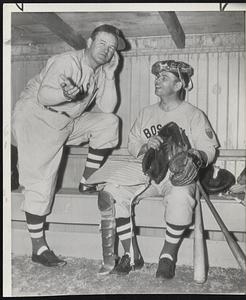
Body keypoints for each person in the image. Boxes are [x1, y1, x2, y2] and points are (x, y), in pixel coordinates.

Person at [92, 59, 219, 279]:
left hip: (176, 176)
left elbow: (209, 149)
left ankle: (167, 256)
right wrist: (143, 146)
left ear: (179, 85)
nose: (157, 81)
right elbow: (132, 143)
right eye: (157, 77)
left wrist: (195, 155)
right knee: (111, 191)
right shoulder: (146, 113)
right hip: (147, 173)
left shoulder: (193, 114)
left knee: (181, 196)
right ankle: (132, 255)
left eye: (164, 77)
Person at [12, 24, 126, 267]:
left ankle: (87, 181)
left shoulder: (100, 72)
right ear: (89, 42)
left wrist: (110, 75)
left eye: (112, 48)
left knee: (109, 123)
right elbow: (44, 96)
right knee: (41, 181)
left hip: (67, 122)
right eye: (102, 43)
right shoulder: (67, 62)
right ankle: (38, 248)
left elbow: (107, 108)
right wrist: (68, 94)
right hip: (38, 116)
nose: (107, 50)